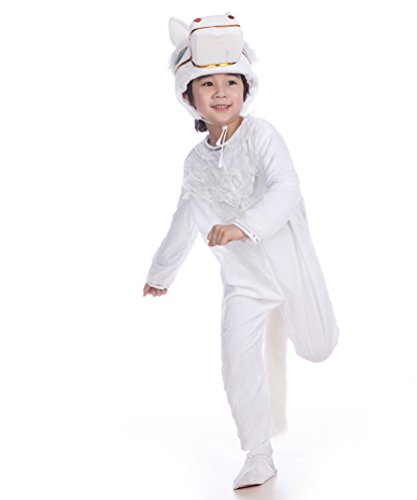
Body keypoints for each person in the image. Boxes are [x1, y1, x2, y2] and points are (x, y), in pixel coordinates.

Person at [143, 13, 340, 490]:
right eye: (207, 84)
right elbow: (184, 219)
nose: (221, 92)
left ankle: (299, 322)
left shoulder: (262, 135)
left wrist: (243, 225)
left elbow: (286, 187)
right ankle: (258, 454)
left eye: (231, 82)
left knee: (318, 349)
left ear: (246, 88)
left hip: (291, 268)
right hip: (244, 284)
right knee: (236, 364)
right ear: (188, 97)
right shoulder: (195, 164)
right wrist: (160, 273)